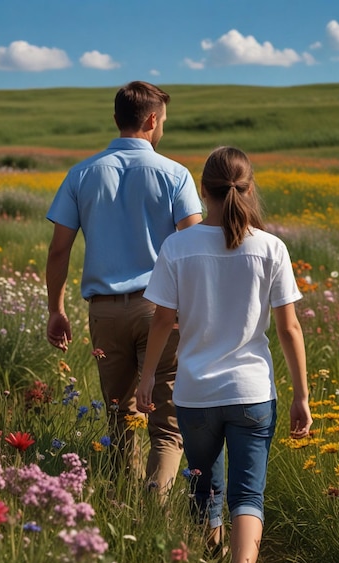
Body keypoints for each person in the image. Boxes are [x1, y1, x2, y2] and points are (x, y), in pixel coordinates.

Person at [136, 146, 312, 563]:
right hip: (252, 392)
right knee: (247, 494)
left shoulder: (178, 247)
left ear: (202, 189)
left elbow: (161, 320)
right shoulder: (271, 248)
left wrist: (148, 376)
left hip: (195, 393)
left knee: (204, 486)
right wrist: (301, 397)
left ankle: (210, 556)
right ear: (248, 188)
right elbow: (289, 328)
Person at [46, 81, 202, 496]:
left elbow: (59, 250)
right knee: (166, 426)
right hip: (162, 314)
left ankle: (123, 503)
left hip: (105, 312)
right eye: (163, 121)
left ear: (117, 120)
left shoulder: (82, 173)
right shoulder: (176, 174)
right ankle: (156, 509)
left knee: (119, 417)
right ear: (152, 120)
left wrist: (55, 309)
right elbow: (194, 247)